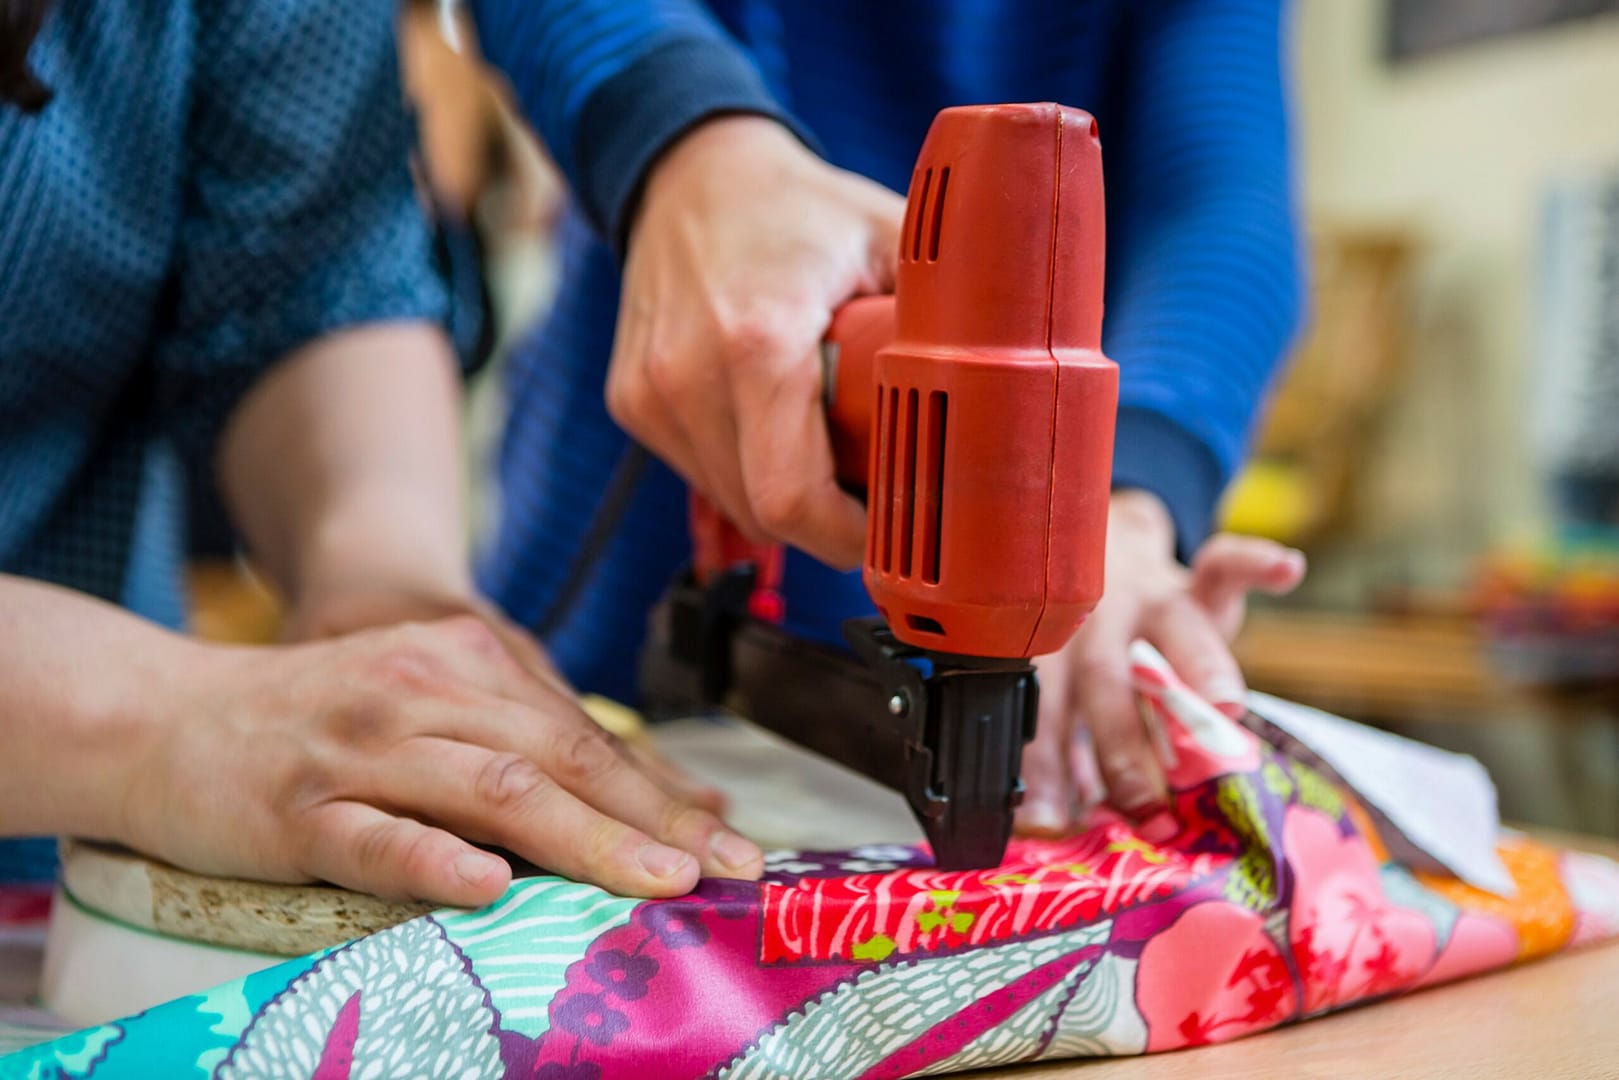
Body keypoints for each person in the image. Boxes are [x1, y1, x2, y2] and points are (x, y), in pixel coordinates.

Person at [472, 0, 1310, 837]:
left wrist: (1126, 493)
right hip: (611, 550)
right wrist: (685, 133)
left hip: (897, 701)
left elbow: (1223, 199)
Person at [0, 0, 761, 908]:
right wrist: (162, 720)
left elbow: (306, 267)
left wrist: (379, 586)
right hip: (126, 739)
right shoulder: (162, 728)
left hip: (72, 855)